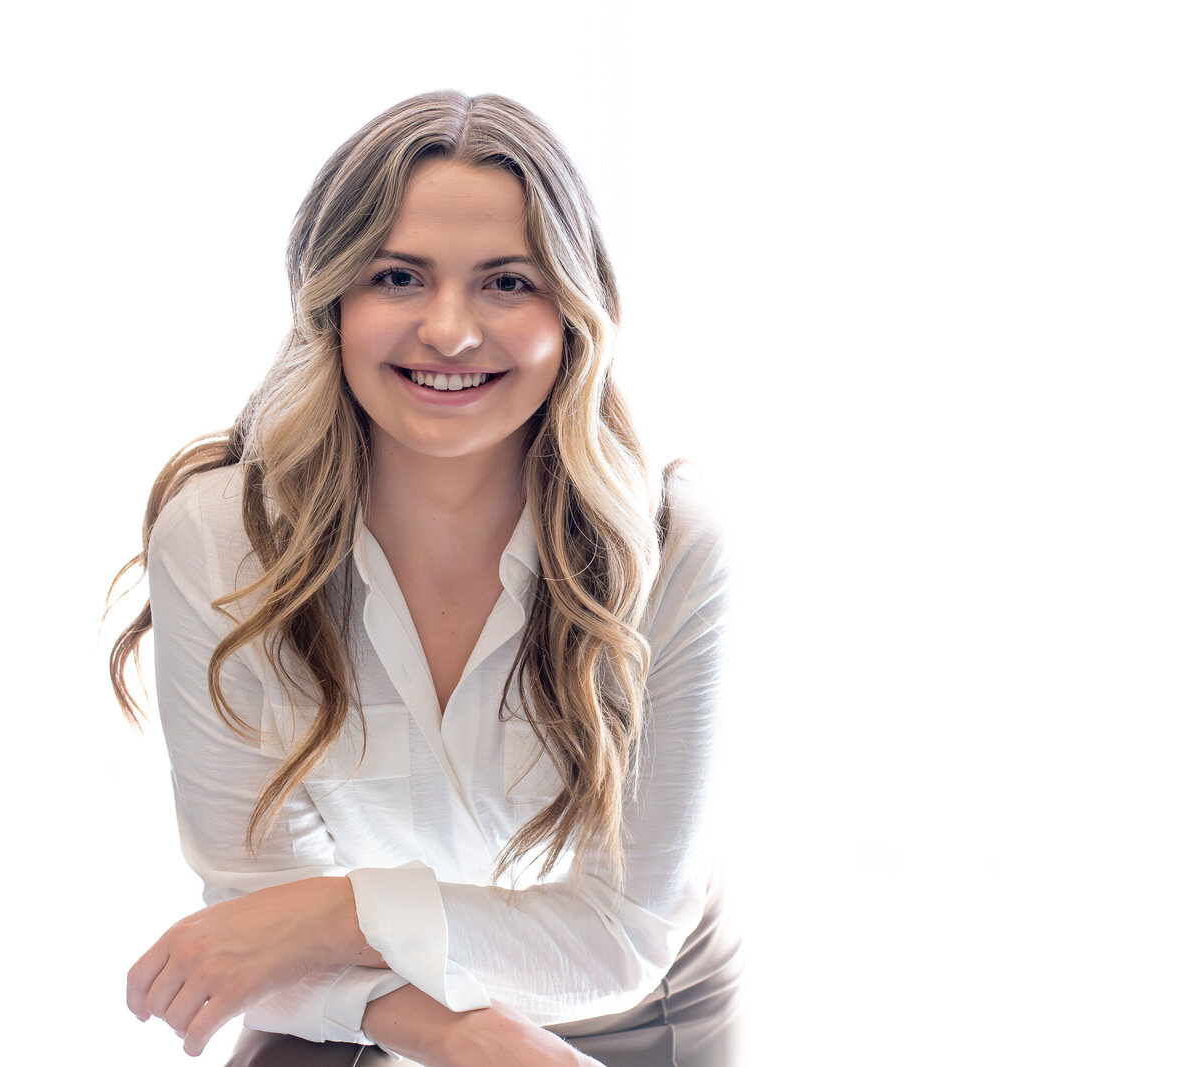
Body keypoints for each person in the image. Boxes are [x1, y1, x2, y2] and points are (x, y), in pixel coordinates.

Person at [107, 90, 741, 1066]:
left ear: (575, 312)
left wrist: (337, 907)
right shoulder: (219, 535)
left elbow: (622, 932)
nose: (448, 330)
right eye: (398, 276)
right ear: (331, 299)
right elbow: (254, 901)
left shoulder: (675, 542)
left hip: (635, 999)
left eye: (507, 283)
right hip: (352, 987)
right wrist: (479, 1041)